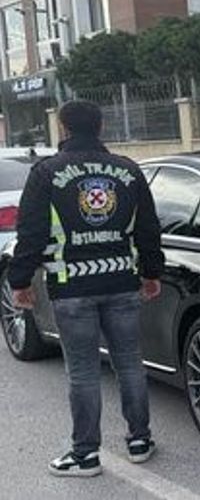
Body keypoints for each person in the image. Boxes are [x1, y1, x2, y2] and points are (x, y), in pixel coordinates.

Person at [8, 101, 165, 478]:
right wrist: (151, 272)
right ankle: (140, 440)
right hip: (122, 282)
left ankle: (85, 454)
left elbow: (31, 231)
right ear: (101, 126)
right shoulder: (128, 170)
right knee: (130, 363)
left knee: (83, 371)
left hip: (71, 286)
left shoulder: (46, 172)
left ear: (63, 128)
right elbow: (148, 227)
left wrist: (20, 280)